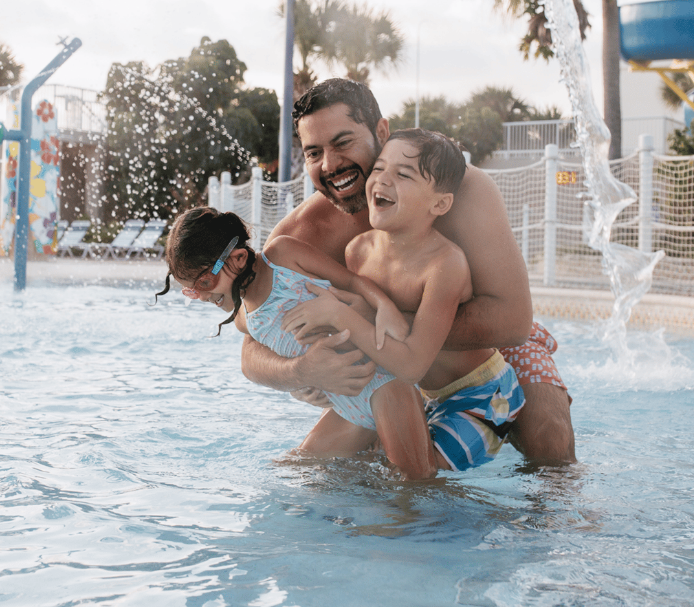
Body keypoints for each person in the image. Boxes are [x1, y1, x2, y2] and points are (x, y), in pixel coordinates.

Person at [242, 78, 577, 465]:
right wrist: (300, 370)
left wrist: (375, 322)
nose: (330, 165)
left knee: (549, 442)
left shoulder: (458, 191)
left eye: (343, 142)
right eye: (314, 152)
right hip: (389, 365)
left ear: (381, 131)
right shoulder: (304, 237)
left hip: (485, 354)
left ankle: (561, 517)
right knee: (324, 469)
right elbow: (251, 340)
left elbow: (514, 320)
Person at [281, 128, 526, 470]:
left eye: (403, 174)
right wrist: (316, 375)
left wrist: (340, 315)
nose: (382, 180)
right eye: (379, 168)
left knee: (417, 477)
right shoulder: (358, 251)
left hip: (481, 395)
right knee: (304, 463)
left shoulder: (445, 264)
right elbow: (366, 333)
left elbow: (413, 363)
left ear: (439, 203)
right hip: (417, 394)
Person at [157, 207, 441, 479]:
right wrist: (301, 380)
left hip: (383, 384)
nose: (203, 296)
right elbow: (274, 362)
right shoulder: (245, 319)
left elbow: (352, 282)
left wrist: (384, 306)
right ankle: (373, 448)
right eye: (191, 291)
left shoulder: (283, 256)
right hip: (347, 407)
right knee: (293, 470)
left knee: (415, 486)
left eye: (205, 283)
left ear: (239, 258)